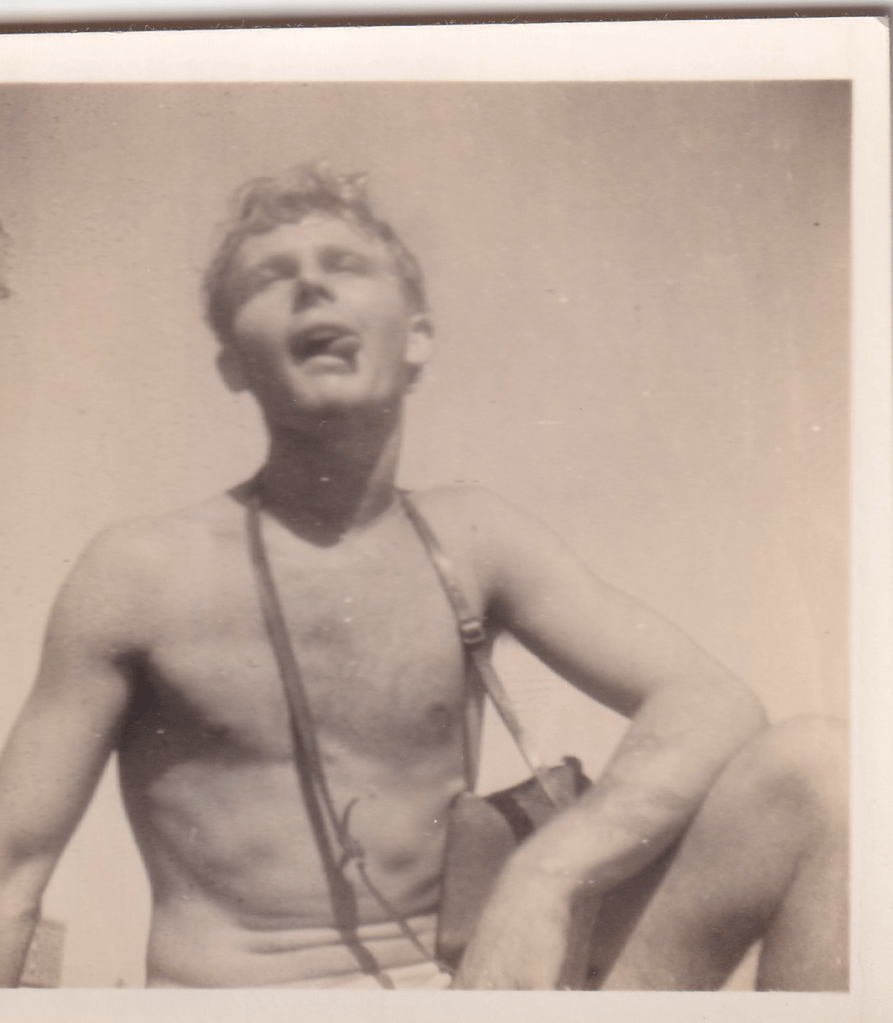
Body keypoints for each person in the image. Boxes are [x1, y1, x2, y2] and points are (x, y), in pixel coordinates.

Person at [0, 165, 847, 991]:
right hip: (248, 994)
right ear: (231, 362)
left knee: (823, 774)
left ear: (416, 338)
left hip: (466, 981)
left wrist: (548, 872)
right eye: (270, 276)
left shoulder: (472, 536)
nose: (310, 288)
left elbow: (710, 698)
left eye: (344, 265)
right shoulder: (140, 569)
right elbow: (13, 868)